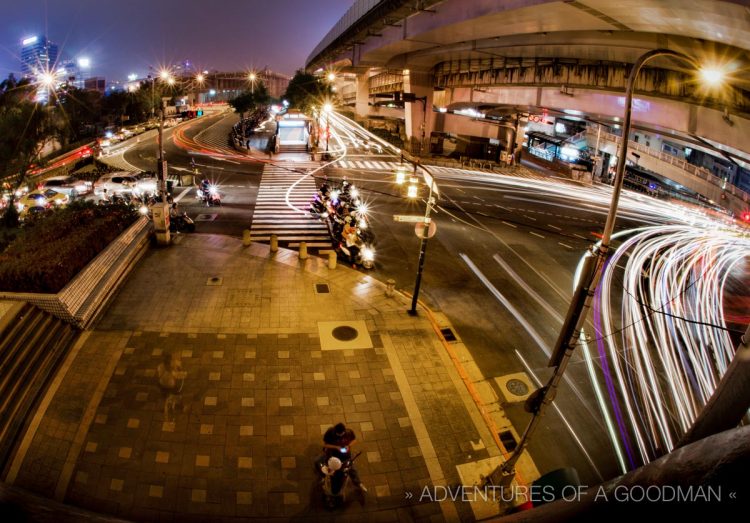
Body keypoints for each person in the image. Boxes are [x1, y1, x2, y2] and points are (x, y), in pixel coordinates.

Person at [321, 422, 366, 492]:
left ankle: (358, 483)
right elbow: (325, 445)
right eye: (338, 435)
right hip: (333, 455)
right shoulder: (330, 432)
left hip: (346, 455)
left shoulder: (348, 432)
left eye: (342, 434)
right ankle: (324, 479)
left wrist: (348, 446)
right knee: (328, 468)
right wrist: (336, 447)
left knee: (351, 468)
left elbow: (354, 440)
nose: (341, 436)